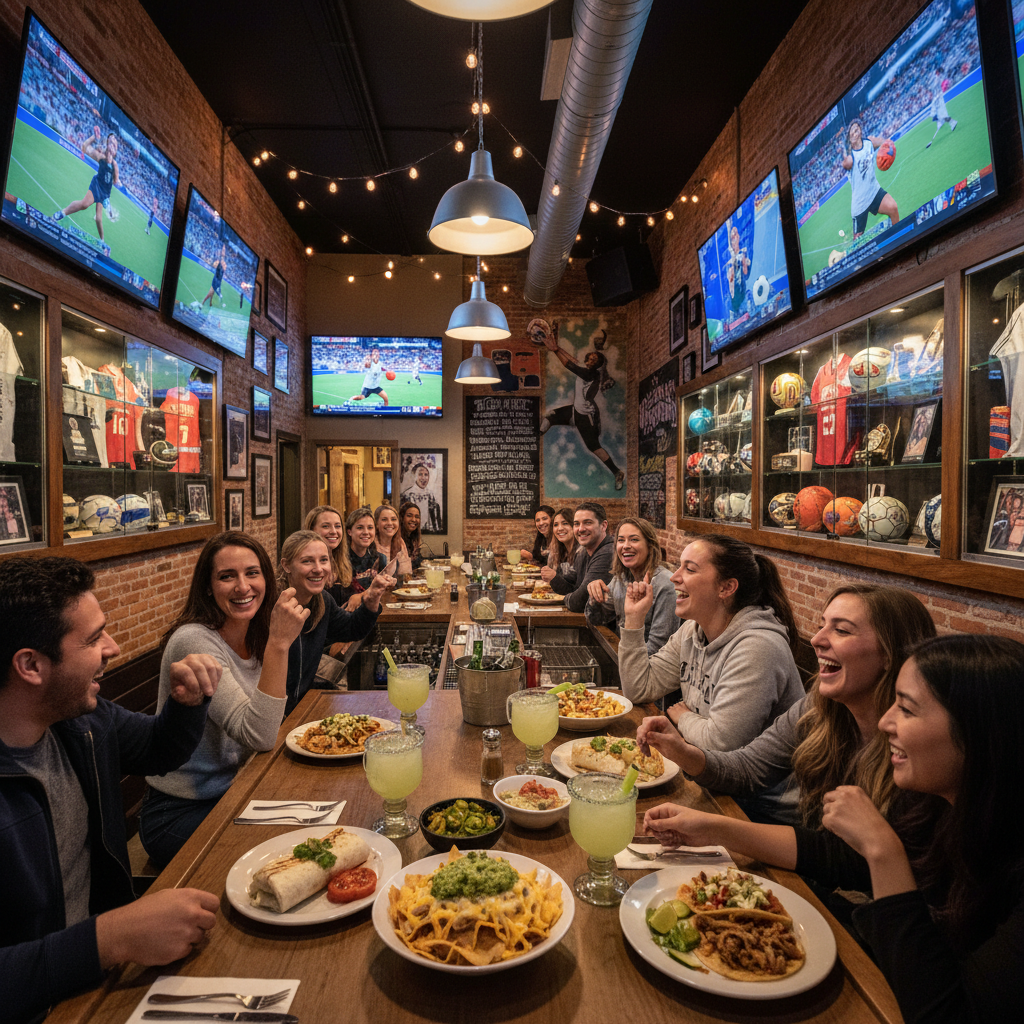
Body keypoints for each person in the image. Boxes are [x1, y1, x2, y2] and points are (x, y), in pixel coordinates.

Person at [645, 634, 1024, 1024]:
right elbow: (837, 857)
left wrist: (882, 849)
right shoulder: (936, 802)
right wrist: (714, 828)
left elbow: (948, 1014)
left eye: (907, 710)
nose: (885, 722)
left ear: (982, 734)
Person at [0, 556, 222, 1024]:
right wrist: (110, 937)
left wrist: (188, 703)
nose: (113, 647)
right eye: (93, 637)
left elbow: (156, 749)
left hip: (103, 981)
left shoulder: (80, 719)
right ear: (31, 665)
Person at [638, 585, 936, 826]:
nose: (817, 639)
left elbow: (849, 862)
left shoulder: (918, 744)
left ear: (889, 653)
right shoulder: (818, 707)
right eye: (822, 626)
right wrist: (682, 750)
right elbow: (748, 767)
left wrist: (722, 831)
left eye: (841, 630)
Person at [138, 532, 309, 866]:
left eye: (252, 573)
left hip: (239, 792)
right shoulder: (193, 640)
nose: (242, 586)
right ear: (208, 587)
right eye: (227, 576)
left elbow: (272, 719)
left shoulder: (256, 632)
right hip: (180, 811)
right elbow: (259, 734)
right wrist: (279, 644)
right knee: (291, 853)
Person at [621, 534, 803, 761]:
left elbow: (721, 744)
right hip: (708, 773)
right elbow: (638, 688)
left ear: (726, 588)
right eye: (679, 567)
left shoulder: (758, 648)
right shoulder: (692, 630)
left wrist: (683, 718)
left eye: (690, 569)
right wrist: (634, 619)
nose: (674, 577)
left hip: (755, 794)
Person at [278, 530, 390, 714]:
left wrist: (372, 599)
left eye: (323, 560)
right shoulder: (273, 606)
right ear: (286, 565)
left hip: (301, 707)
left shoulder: (322, 600)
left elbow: (351, 628)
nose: (318, 568)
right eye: (307, 561)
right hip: (273, 714)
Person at [534, 319, 624, 490]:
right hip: (575, 410)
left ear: (597, 364)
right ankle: (536, 436)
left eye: (593, 359)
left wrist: (554, 351)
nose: (590, 359)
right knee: (550, 415)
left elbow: (570, 365)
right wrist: (556, 347)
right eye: (589, 357)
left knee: (593, 447)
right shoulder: (586, 369)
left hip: (585, 415)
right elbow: (573, 360)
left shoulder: (590, 374)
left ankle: (617, 472)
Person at [586, 516, 679, 656]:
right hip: (624, 661)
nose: (626, 545)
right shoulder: (620, 579)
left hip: (648, 669)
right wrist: (594, 595)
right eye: (621, 540)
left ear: (650, 545)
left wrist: (626, 663)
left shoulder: (665, 584)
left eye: (634, 539)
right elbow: (596, 619)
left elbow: (659, 649)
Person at [53, 129, 119, 255]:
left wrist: (110, 191)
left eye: (114, 144)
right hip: (97, 186)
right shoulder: (101, 157)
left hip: (105, 193)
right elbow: (84, 147)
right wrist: (94, 137)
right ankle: (62, 213)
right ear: (106, 145)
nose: (111, 145)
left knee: (99, 219)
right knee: (84, 204)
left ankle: (102, 242)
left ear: (116, 151)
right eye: (110, 142)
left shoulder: (115, 166)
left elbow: (115, 181)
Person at [549, 502, 614, 612]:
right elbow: (570, 585)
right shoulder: (583, 552)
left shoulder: (608, 553)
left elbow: (579, 602)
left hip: (608, 627)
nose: (581, 529)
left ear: (603, 526)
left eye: (587, 523)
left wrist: (566, 598)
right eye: (576, 524)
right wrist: (554, 578)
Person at [840, 118, 899, 239]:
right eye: (852, 132)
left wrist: (888, 149)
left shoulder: (869, 143)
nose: (855, 133)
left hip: (874, 192)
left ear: (861, 131)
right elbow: (846, 164)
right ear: (850, 139)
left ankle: (898, 238)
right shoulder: (851, 157)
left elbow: (885, 143)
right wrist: (844, 153)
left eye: (857, 129)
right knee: (857, 241)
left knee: (893, 208)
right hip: (859, 204)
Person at [327, 507, 386, 611]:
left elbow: (383, 591)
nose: (366, 532)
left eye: (370, 528)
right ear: (349, 532)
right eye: (360, 528)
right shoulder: (340, 559)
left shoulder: (380, 558)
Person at [304, 504, 345, 584]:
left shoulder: (342, 561)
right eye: (326, 526)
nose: (333, 531)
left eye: (337, 526)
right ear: (312, 530)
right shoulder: (305, 563)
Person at [400, 462, 442, 532]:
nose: (423, 478)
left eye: (426, 475)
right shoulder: (407, 494)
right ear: (414, 476)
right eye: (420, 474)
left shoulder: (430, 495)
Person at [540, 507, 577, 586]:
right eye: (556, 525)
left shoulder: (582, 552)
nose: (560, 528)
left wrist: (554, 577)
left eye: (565, 523)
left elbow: (579, 588)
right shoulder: (558, 552)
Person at [374, 504, 412, 577]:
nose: (390, 523)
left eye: (393, 519)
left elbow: (405, 574)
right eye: (384, 519)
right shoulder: (371, 544)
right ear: (377, 524)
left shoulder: (400, 542)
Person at [925, 67, 957, 149]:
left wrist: (936, 97)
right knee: (941, 116)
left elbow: (937, 88)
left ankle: (952, 123)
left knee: (942, 115)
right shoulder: (936, 79)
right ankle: (951, 123)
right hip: (937, 99)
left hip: (939, 98)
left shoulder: (937, 78)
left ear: (937, 72)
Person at [399, 501, 424, 570]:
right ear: (402, 518)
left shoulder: (413, 539)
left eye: (417, 517)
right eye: (409, 516)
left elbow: (418, 561)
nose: (413, 519)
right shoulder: (397, 540)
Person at [201, 244, 227, 310]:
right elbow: (215, 265)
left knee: (211, 293)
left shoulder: (223, 265)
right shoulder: (218, 263)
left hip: (218, 281)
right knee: (210, 293)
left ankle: (209, 303)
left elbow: (223, 270)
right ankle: (202, 303)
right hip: (216, 280)